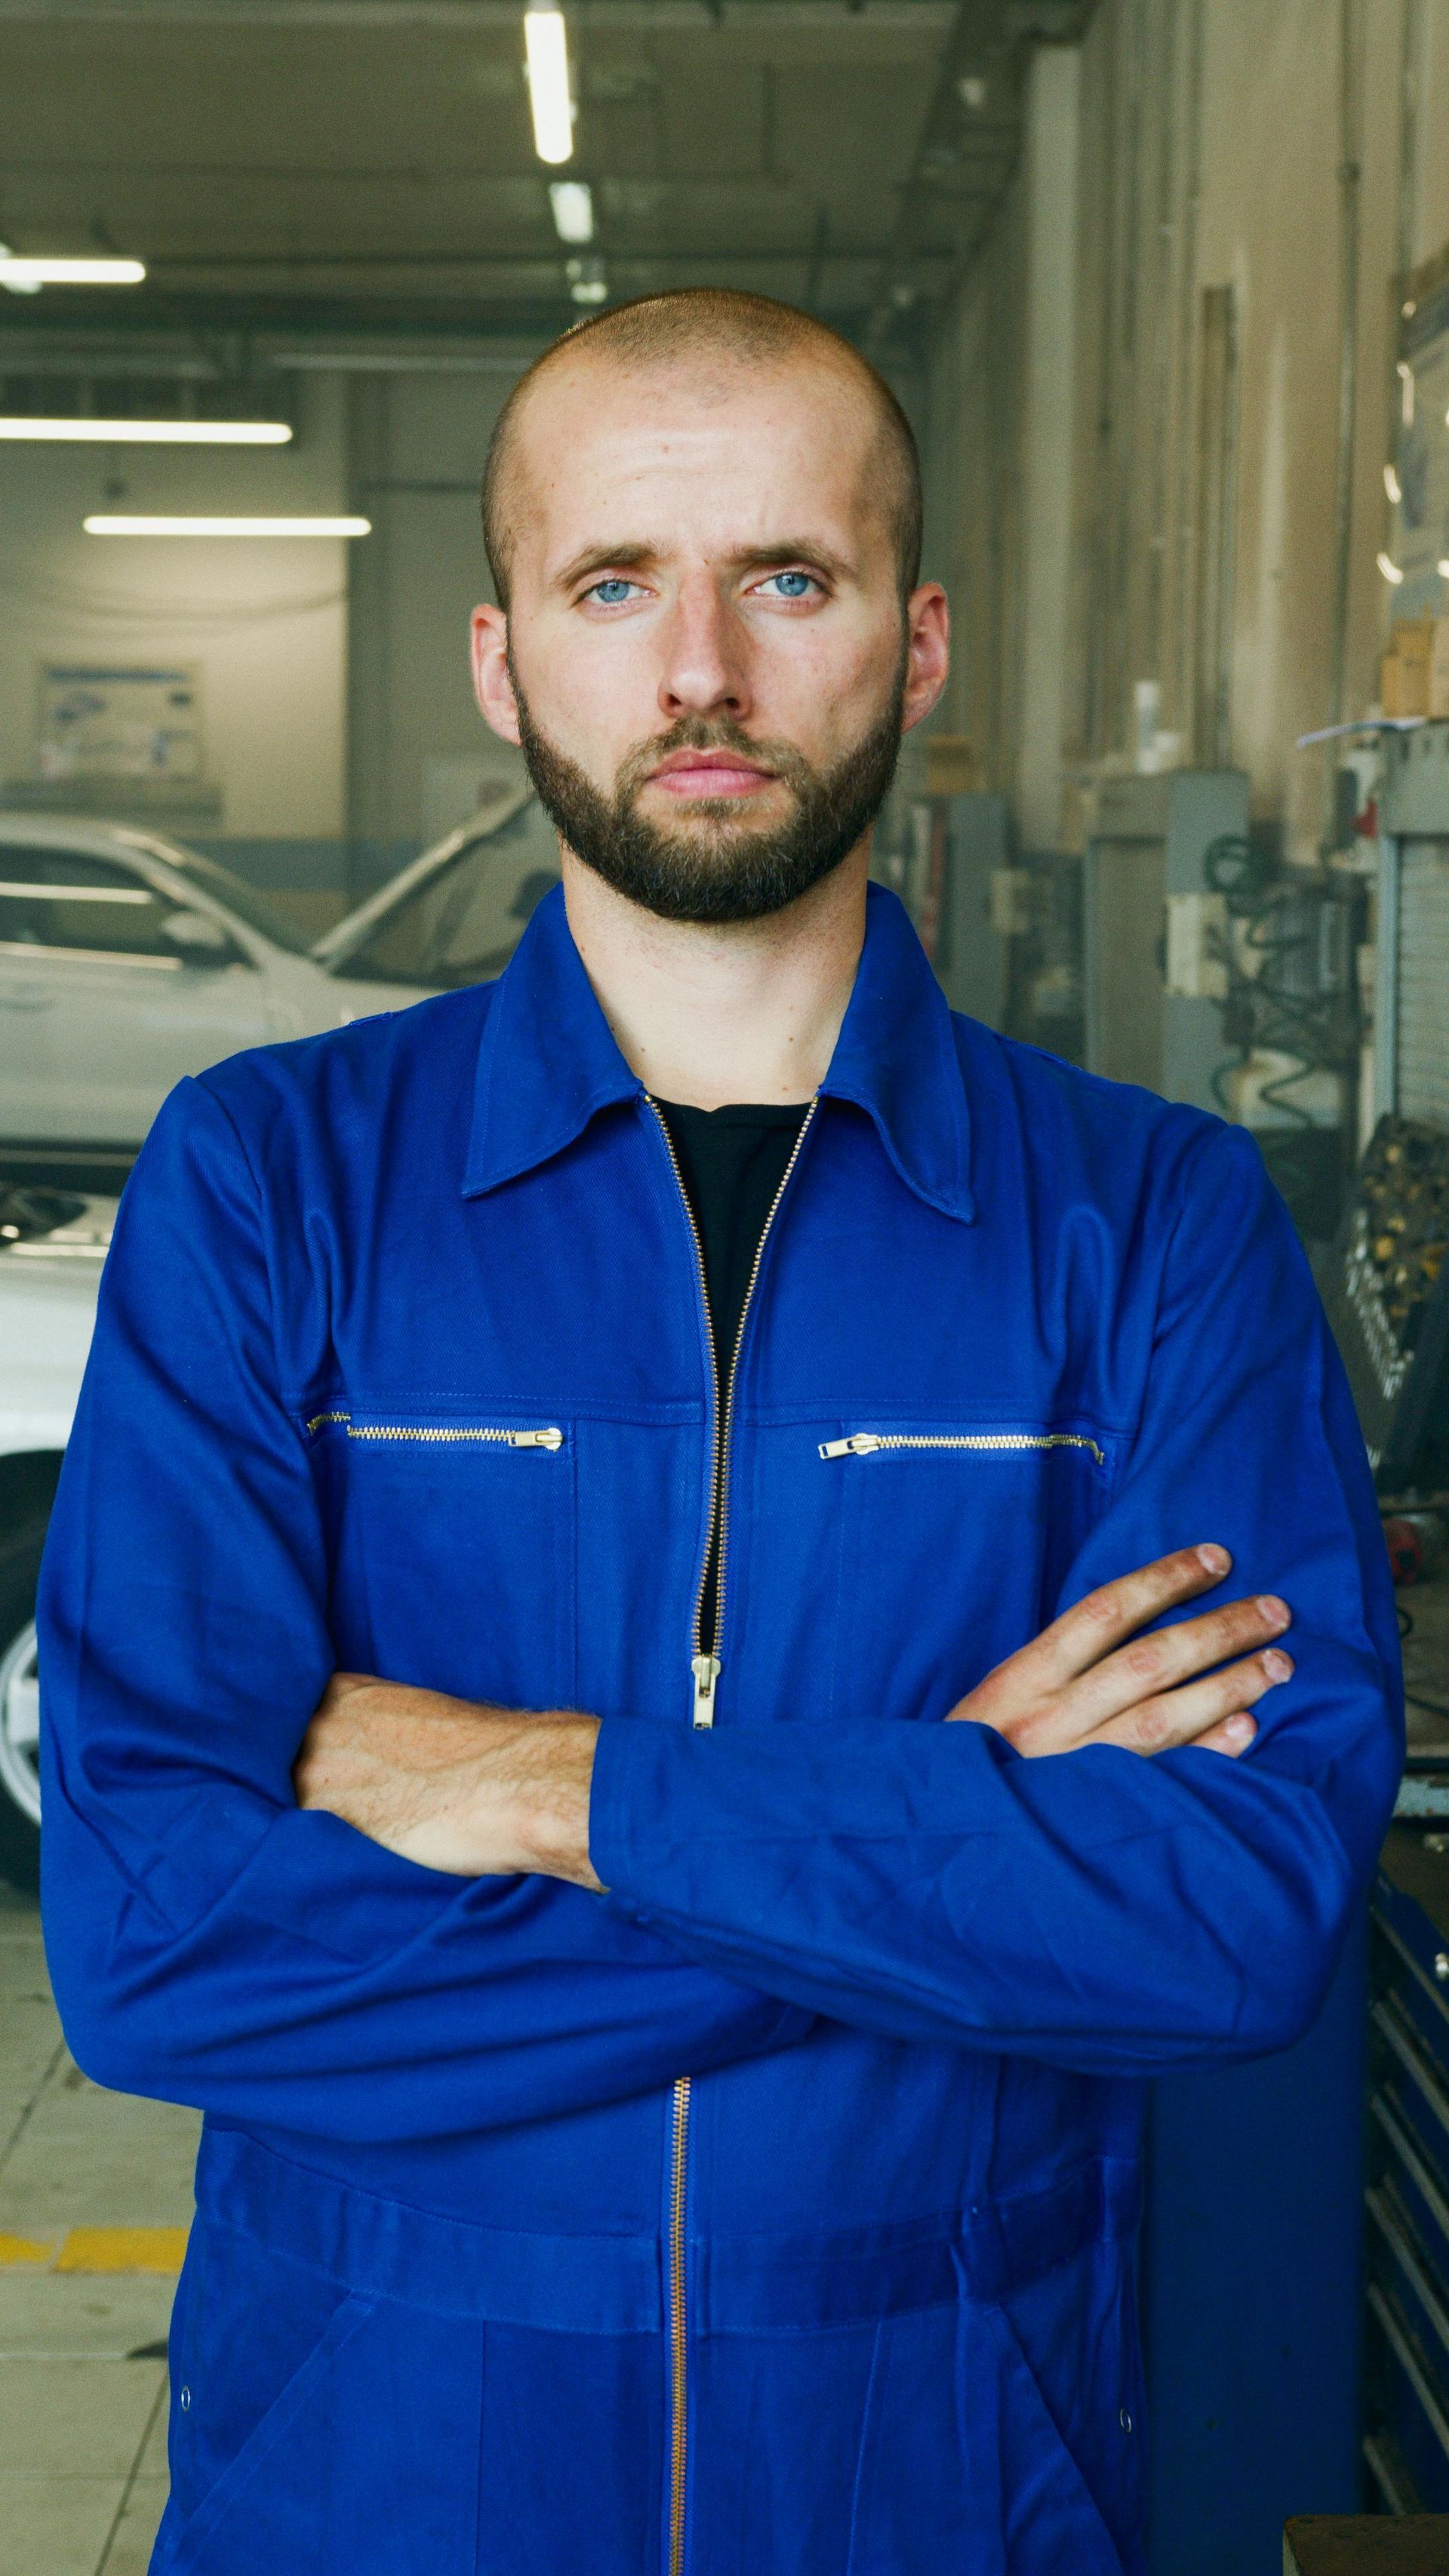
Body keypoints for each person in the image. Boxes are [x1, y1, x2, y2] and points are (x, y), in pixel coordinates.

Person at [39, 290, 1401, 2576]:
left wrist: (534, 1785)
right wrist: (947, 1830)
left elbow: (1229, 1917)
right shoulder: (268, 1181)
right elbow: (161, 1942)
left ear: (918, 638)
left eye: (788, 576)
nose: (701, 673)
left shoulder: (1149, 1225)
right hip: (378, 2470)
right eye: (612, 586)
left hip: (943, 2469)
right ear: (502, 661)